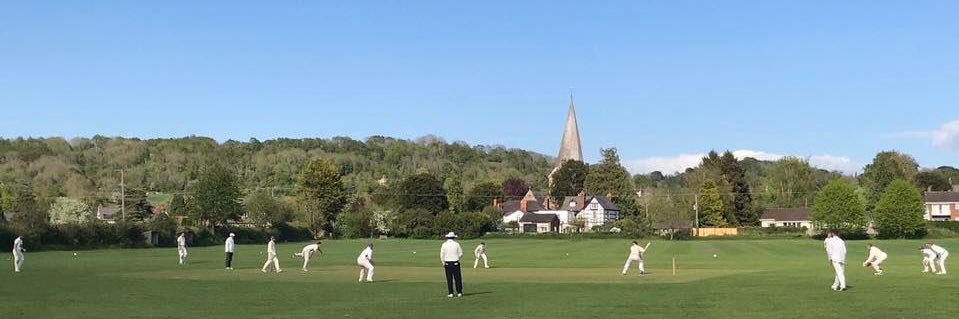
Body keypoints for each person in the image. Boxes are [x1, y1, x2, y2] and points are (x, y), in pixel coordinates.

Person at [440, 232, 464, 297]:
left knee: (449, 279)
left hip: (447, 263)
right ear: (454, 237)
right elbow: (461, 253)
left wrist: (443, 263)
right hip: (455, 263)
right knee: (458, 278)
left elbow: (442, 255)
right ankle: (459, 292)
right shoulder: (457, 244)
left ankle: (450, 293)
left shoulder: (444, 244)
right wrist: (457, 258)